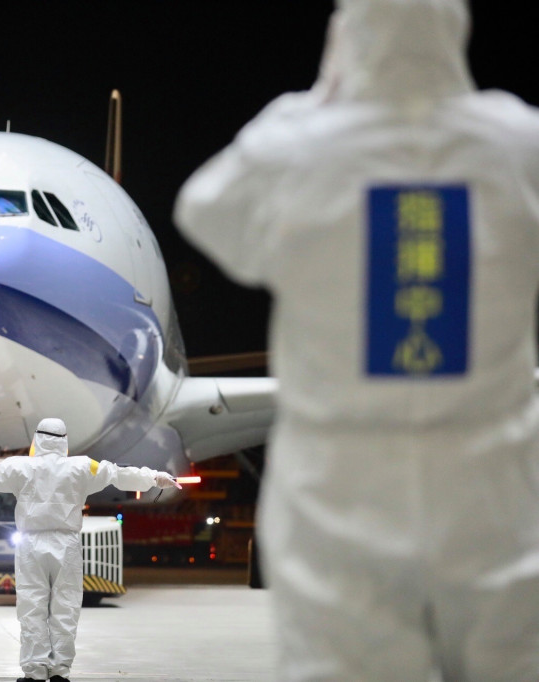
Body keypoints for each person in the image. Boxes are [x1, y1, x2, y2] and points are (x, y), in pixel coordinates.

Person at [173, 1, 539, 679]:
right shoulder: (516, 142)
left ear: (348, 33)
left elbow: (206, 210)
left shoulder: (301, 147)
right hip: (491, 484)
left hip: (342, 488)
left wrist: (311, 106)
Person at [0, 418, 180, 682]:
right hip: (67, 544)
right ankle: (60, 670)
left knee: (31, 606)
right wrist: (154, 478)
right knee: (66, 607)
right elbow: (117, 474)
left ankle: (35, 670)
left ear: (36, 439)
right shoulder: (83, 466)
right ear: (65, 441)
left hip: (29, 544)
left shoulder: (19, 466)